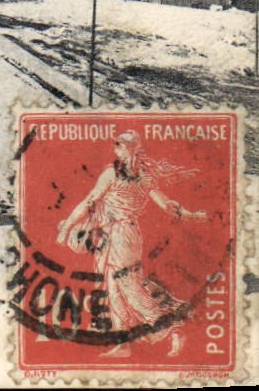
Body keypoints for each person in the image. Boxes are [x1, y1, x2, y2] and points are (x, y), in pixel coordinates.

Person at [55, 130, 207, 357]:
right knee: (113, 290)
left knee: (130, 288)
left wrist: (67, 228)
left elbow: (89, 201)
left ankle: (171, 325)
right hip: (119, 235)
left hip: (121, 235)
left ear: (130, 149)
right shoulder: (139, 176)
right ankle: (122, 343)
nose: (115, 147)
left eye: (120, 145)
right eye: (116, 144)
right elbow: (167, 206)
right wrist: (191, 216)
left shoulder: (115, 174)